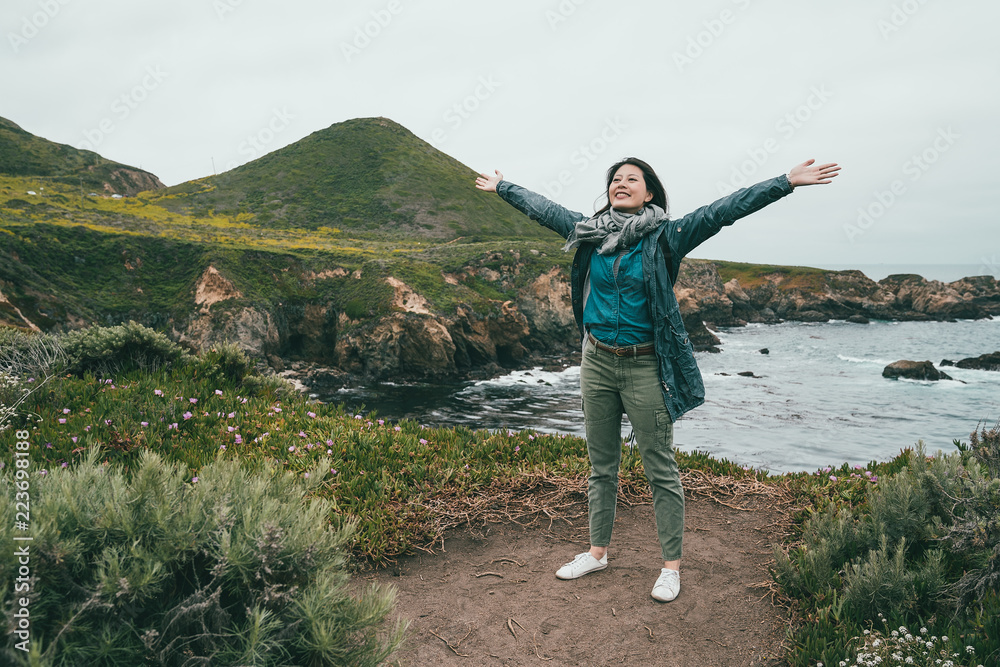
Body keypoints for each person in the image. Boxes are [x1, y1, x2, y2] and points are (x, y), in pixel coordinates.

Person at [475, 157, 839, 602]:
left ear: (649, 194)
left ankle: (670, 568)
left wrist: (786, 182)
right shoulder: (587, 230)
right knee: (600, 466)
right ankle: (597, 552)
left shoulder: (668, 237)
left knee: (660, 468)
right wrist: (503, 186)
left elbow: (724, 210)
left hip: (645, 364)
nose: (620, 184)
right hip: (596, 362)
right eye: (615, 179)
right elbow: (543, 207)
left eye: (632, 179)